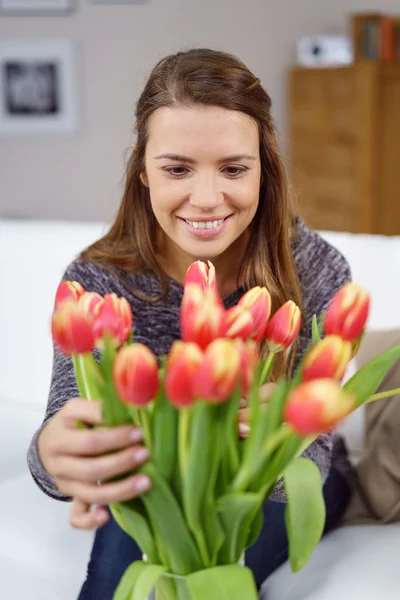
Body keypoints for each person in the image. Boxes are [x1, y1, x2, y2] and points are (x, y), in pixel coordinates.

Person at [27, 48, 353, 599]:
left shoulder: (315, 269)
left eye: (233, 168)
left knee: (207, 577)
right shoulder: (99, 281)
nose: (207, 199)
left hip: (280, 487)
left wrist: (274, 438)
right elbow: (68, 422)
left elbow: (313, 458)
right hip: (158, 485)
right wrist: (52, 457)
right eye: (177, 168)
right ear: (142, 169)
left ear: (264, 168)